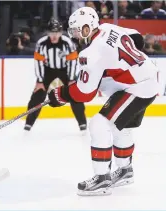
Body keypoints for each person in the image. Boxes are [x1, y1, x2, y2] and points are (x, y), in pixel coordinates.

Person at [48, 7, 159, 196]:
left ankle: (102, 178)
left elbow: (85, 93)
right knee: (120, 126)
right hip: (147, 77)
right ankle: (124, 171)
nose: (75, 35)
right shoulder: (108, 27)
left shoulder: (91, 53)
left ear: (87, 27)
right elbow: (136, 37)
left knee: (99, 124)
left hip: (138, 87)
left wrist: (61, 94)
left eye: (76, 30)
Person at [24, 18, 87, 133]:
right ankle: (28, 123)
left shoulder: (67, 43)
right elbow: (38, 62)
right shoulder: (41, 43)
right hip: (48, 71)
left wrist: (72, 79)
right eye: (52, 32)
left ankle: (82, 123)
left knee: (74, 93)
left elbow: (73, 61)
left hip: (65, 70)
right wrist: (39, 80)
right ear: (48, 32)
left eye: (57, 32)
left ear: (61, 32)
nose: (54, 35)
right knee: (38, 94)